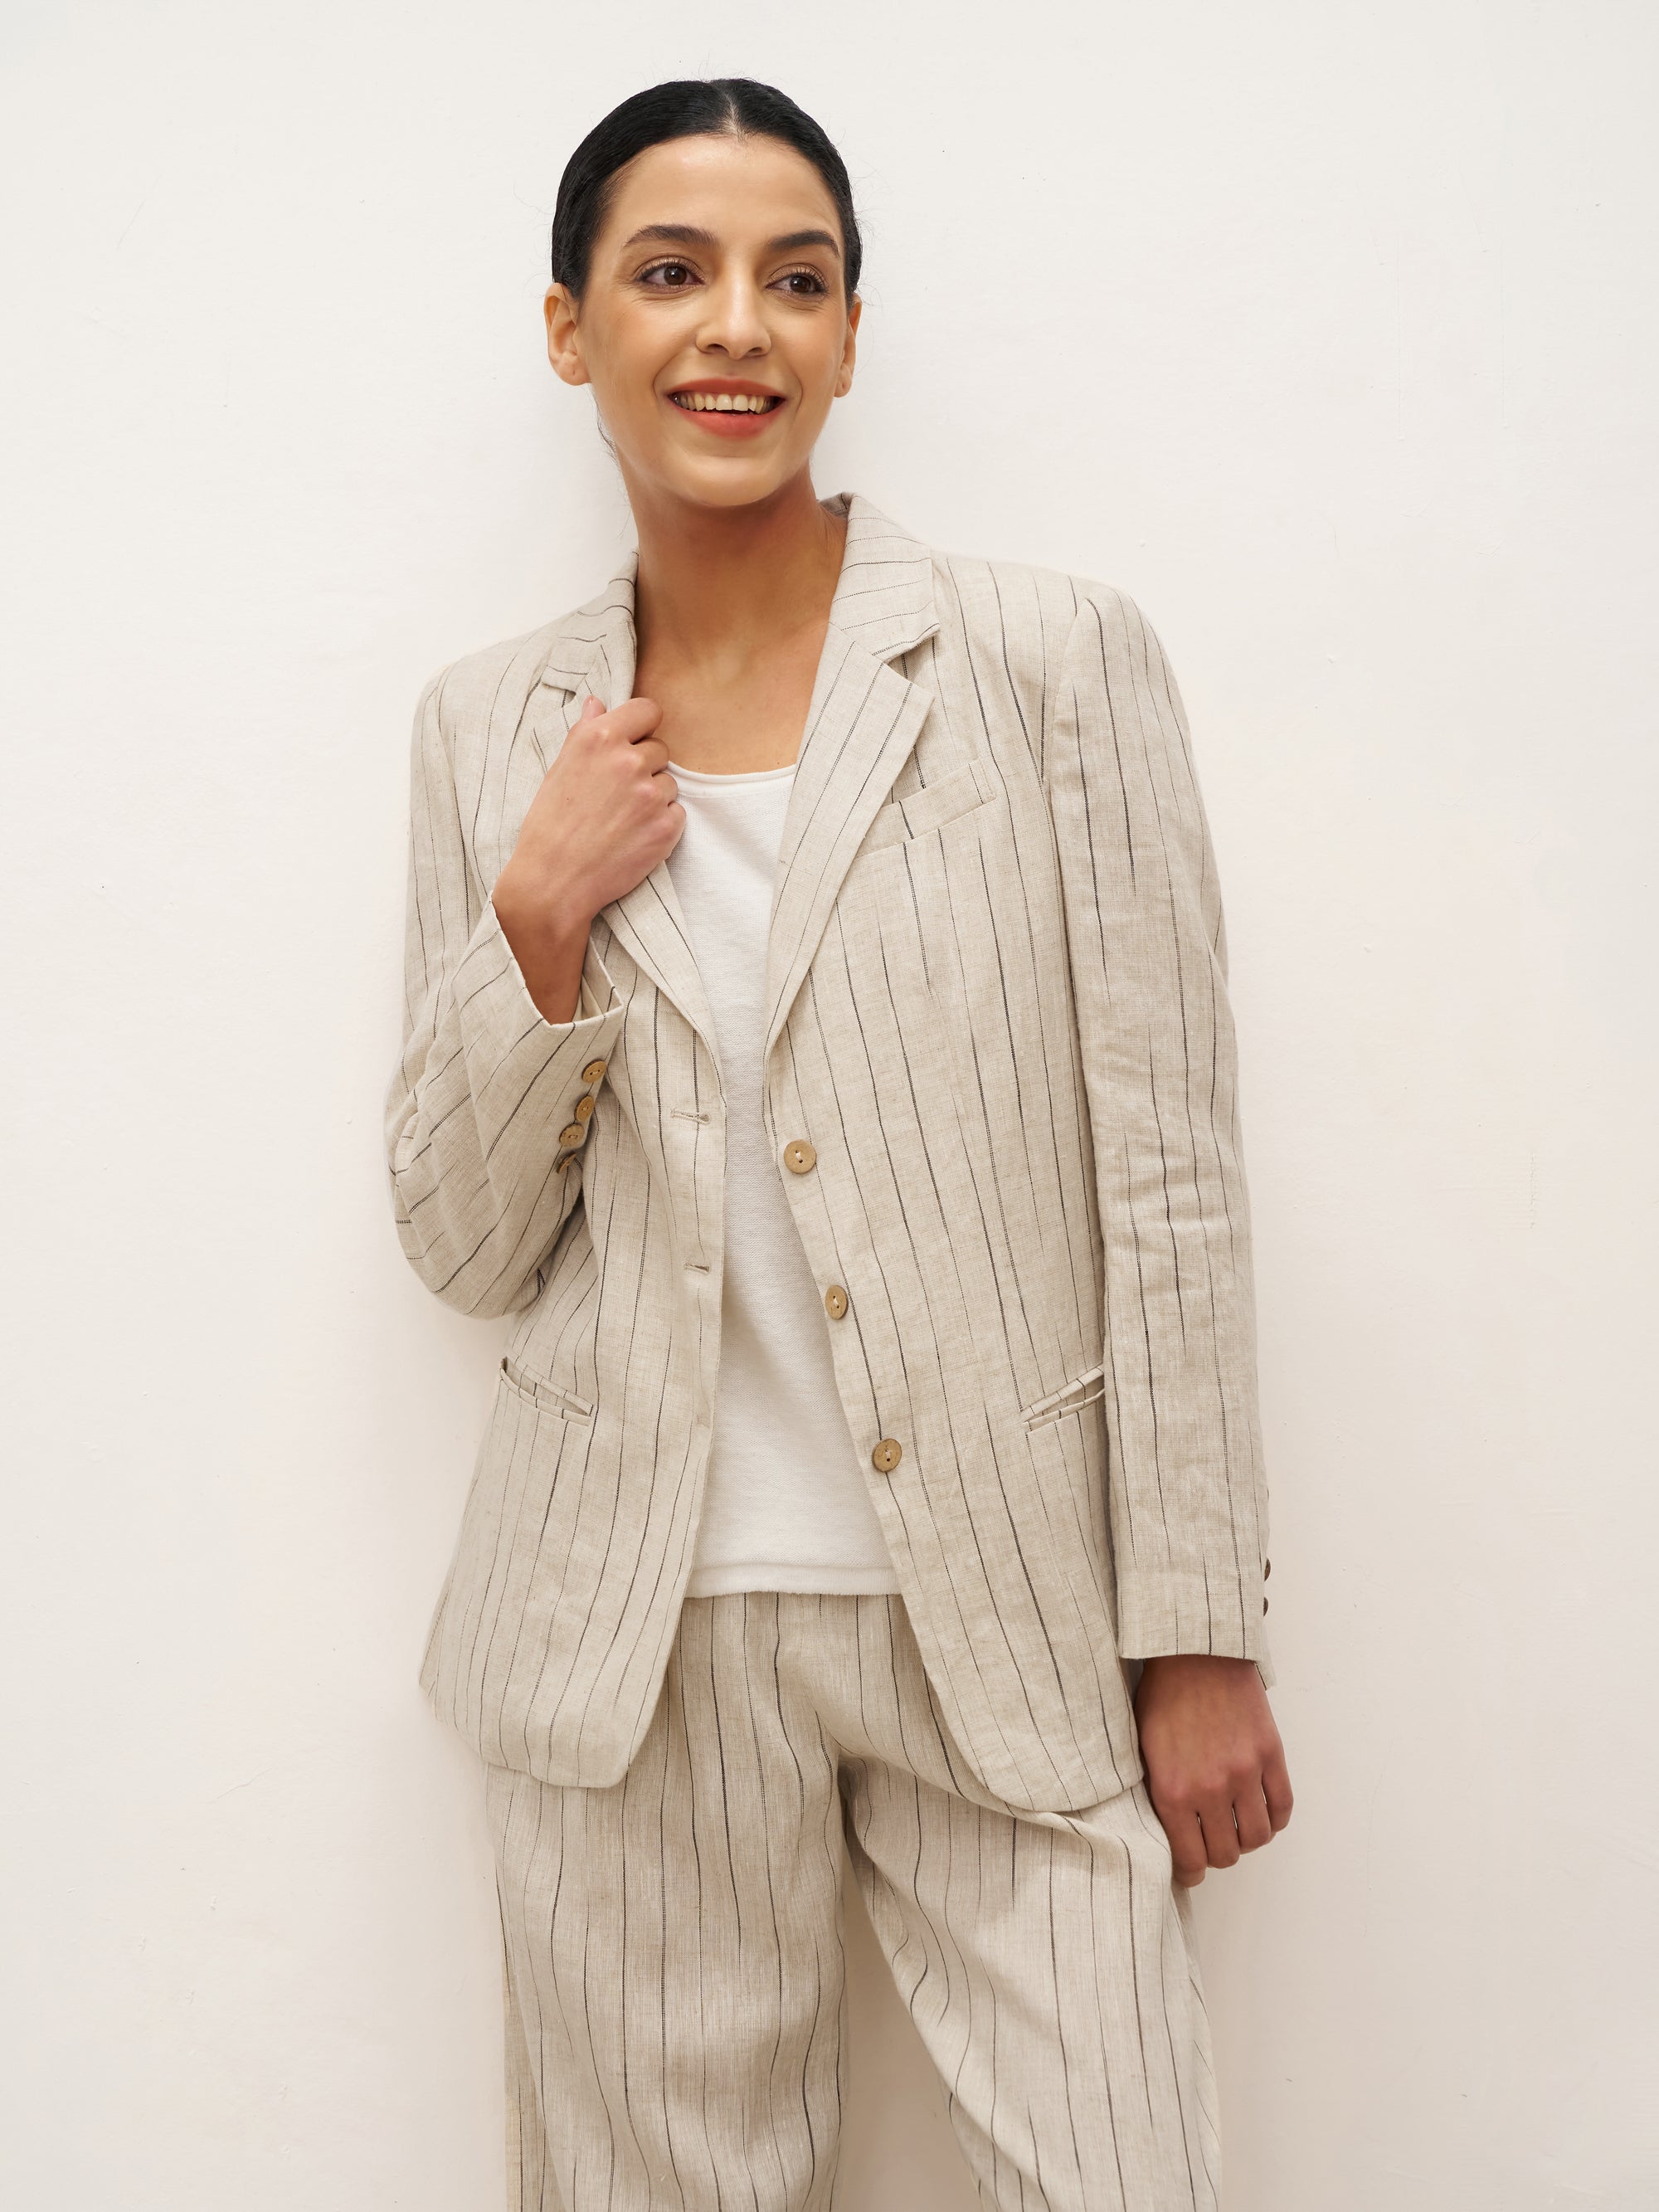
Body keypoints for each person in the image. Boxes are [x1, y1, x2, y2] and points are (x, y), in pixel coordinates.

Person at [383, 75, 1293, 2212]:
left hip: (1015, 1620)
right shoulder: (490, 729)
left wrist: (1201, 1630)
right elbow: (461, 1242)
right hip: (632, 1647)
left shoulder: (1052, 665)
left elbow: (1169, 1177)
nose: (738, 327)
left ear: (852, 335)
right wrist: (536, 923)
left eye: (796, 281)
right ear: (570, 328)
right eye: (670, 272)